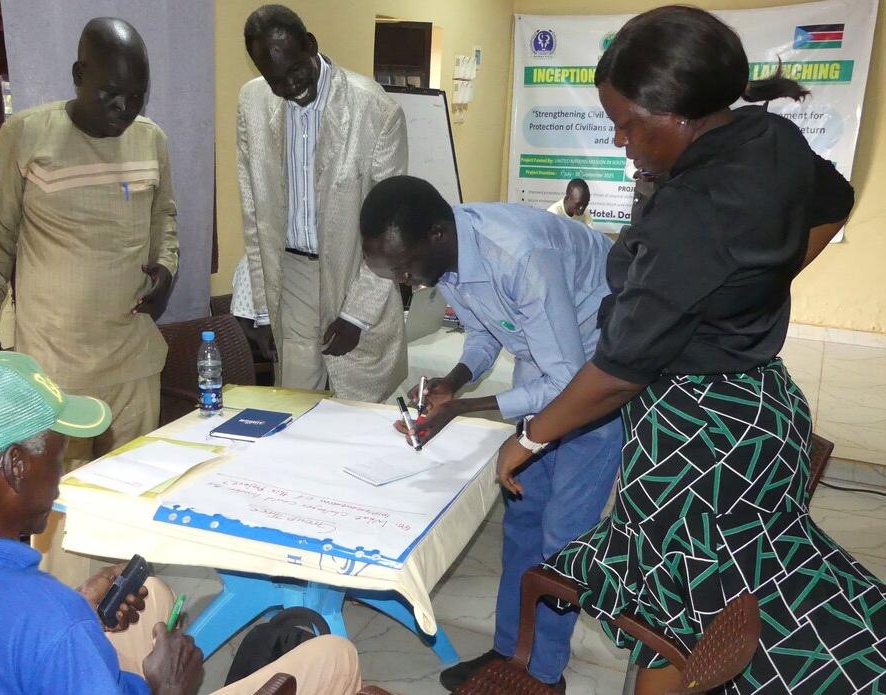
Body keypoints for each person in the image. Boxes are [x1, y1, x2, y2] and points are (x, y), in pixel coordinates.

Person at [494, 7, 884, 695]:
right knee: (731, 596)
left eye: (628, 123)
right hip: (766, 411)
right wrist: (755, 285)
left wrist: (528, 436)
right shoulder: (770, 137)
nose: (620, 141)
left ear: (678, 113)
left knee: (671, 612)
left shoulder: (690, 213)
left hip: (694, 436)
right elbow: (835, 200)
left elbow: (617, 373)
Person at [0, 352, 363, 695]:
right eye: (59, 453)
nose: (64, 470)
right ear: (16, 467)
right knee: (332, 657)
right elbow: (27, 630)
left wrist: (80, 611)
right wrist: (168, 688)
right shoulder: (46, 618)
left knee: (150, 597)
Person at [360, 175, 621, 692]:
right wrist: (453, 382)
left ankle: (542, 674)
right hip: (545, 362)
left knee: (562, 536)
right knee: (523, 520)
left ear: (436, 234)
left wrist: (466, 407)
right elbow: (487, 332)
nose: (407, 282)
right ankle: (510, 652)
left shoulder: (519, 256)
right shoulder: (450, 252)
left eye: (407, 268)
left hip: (597, 375)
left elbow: (567, 382)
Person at [0, 17, 178, 465]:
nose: (124, 108)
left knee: (130, 498)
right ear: (80, 76)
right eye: (111, 93)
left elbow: (165, 217)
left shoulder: (151, 140)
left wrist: (167, 266)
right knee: (57, 511)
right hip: (54, 370)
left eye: (137, 96)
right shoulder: (26, 136)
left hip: (132, 366)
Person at [237, 4, 408, 402]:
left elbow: (393, 227)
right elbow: (254, 211)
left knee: (358, 409)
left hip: (357, 269)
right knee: (295, 404)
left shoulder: (375, 110)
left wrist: (355, 315)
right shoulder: (253, 102)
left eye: (295, 70)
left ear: (310, 46)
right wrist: (263, 309)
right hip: (292, 272)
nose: (289, 87)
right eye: (275, 80)